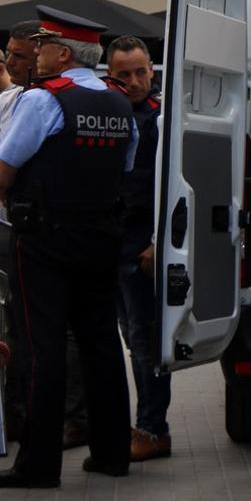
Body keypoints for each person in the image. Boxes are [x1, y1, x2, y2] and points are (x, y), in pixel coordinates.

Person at [0, 6, 138, 488]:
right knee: (101, 343)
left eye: (41, 46)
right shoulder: (122, 103)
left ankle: (37, 466)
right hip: (100, 236)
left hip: (43, 238)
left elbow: (5, 167)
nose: (35, 54)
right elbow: (123, 171)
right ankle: (113, 453)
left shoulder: (44, 101)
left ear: (62, 52)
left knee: (42, 347)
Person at [106, 35, 170, 461]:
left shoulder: (163, 117)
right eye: (124, 74)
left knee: (146, 344)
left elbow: (178, 185)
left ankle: (153, 428)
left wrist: (156, 242)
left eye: (140, 72)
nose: (134, 81)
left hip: (143, 246)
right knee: (132, 340)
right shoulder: (109, 113)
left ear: (152, 69)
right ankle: (143, 426)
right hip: (113, 243)